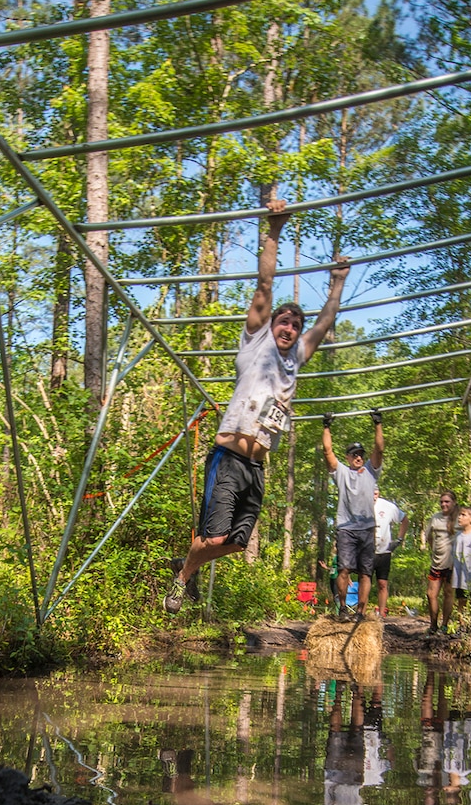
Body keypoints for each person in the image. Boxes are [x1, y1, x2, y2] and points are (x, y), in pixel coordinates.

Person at [165, 198, 350, 612]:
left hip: (258, 466)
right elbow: (264, 286)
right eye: (284, 322)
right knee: (213, 538)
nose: (290, 328)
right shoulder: (255, 342)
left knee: (236, 542)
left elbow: (323, 324)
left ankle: (186, 564)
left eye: (295, 326)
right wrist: (274, 231)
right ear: (270, 324)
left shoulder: (296, 359)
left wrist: (337, 282)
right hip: (229, 456)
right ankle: (183, 576)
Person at [321, 410, 384, 619]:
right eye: (354, 454)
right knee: (344, 569)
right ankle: (342, 609)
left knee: (366, 572)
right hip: (346, 528)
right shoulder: (341, 472)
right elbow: (327, 451)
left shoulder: (370, 470)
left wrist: (377, 424)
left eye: (360, 454)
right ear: (348, 457)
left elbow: (380, 449)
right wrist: (326, 426)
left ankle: (360, 612)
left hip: (366, 528)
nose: (358, 457)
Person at [419, 490, 457, 635]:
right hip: (437, 562)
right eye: (441, 501)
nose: (443, 504)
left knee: (448, 593)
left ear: (453, 502)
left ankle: (445, 625)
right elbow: (428, 536)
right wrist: (433, 548)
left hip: (452, 564)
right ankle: (433, 624)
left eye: (447, 501)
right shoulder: (436, 518)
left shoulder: (460, 517)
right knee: (431, 594)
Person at [371, 480, 405, 619]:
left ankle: (381, 614)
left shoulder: (387, 506)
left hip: (384, 551)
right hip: (367, 551)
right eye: (371, 493)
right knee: (364, 581)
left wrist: (399, 540)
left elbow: (405, 519)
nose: (373, 496)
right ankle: (360, 613)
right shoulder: (360, 504)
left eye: (376, 493)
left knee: (382, 583)